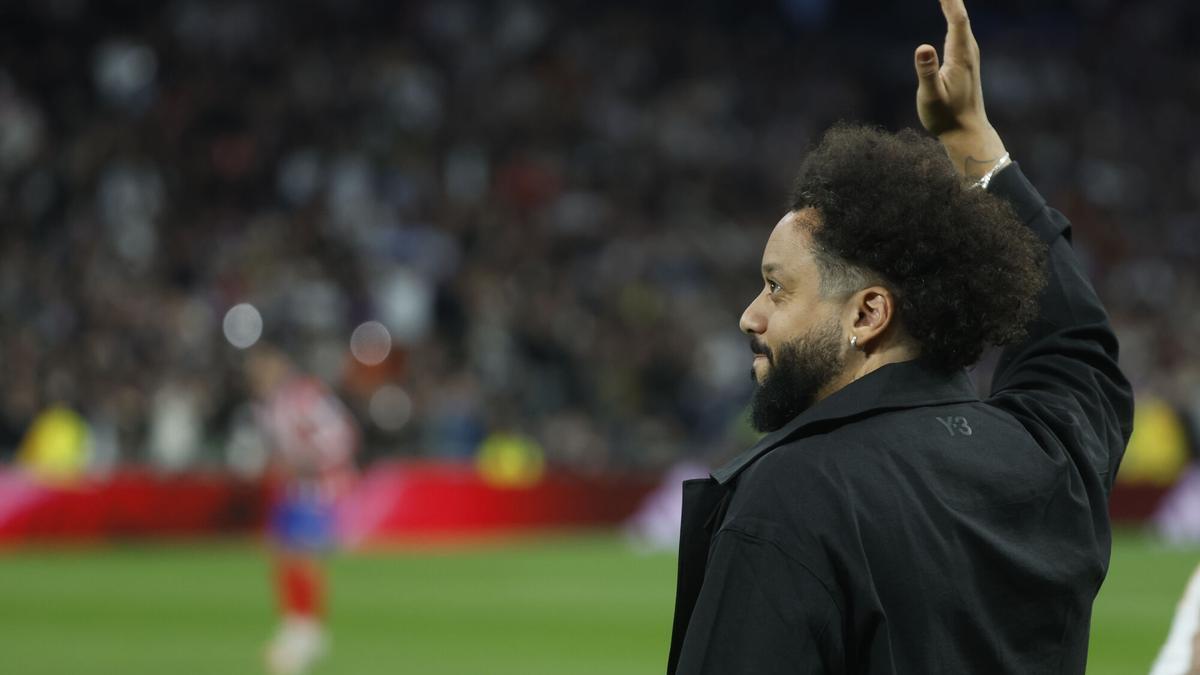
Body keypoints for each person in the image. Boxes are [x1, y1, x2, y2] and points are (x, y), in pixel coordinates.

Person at [667, 1, 1134, 673]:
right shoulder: (1046, 462)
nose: (749, 316)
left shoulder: (790, 496)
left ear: (868, 314)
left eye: (776, 287)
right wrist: (974, 141)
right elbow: (1076, 344)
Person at [245, 344, 359, 675]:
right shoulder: (267, 404)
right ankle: (298, 623)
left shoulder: (305, 397)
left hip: (316, 486)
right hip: (292, 486)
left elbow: (340, 432)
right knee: (283, 554)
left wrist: (313, 462)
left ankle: (307, 631)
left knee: (303, 554)